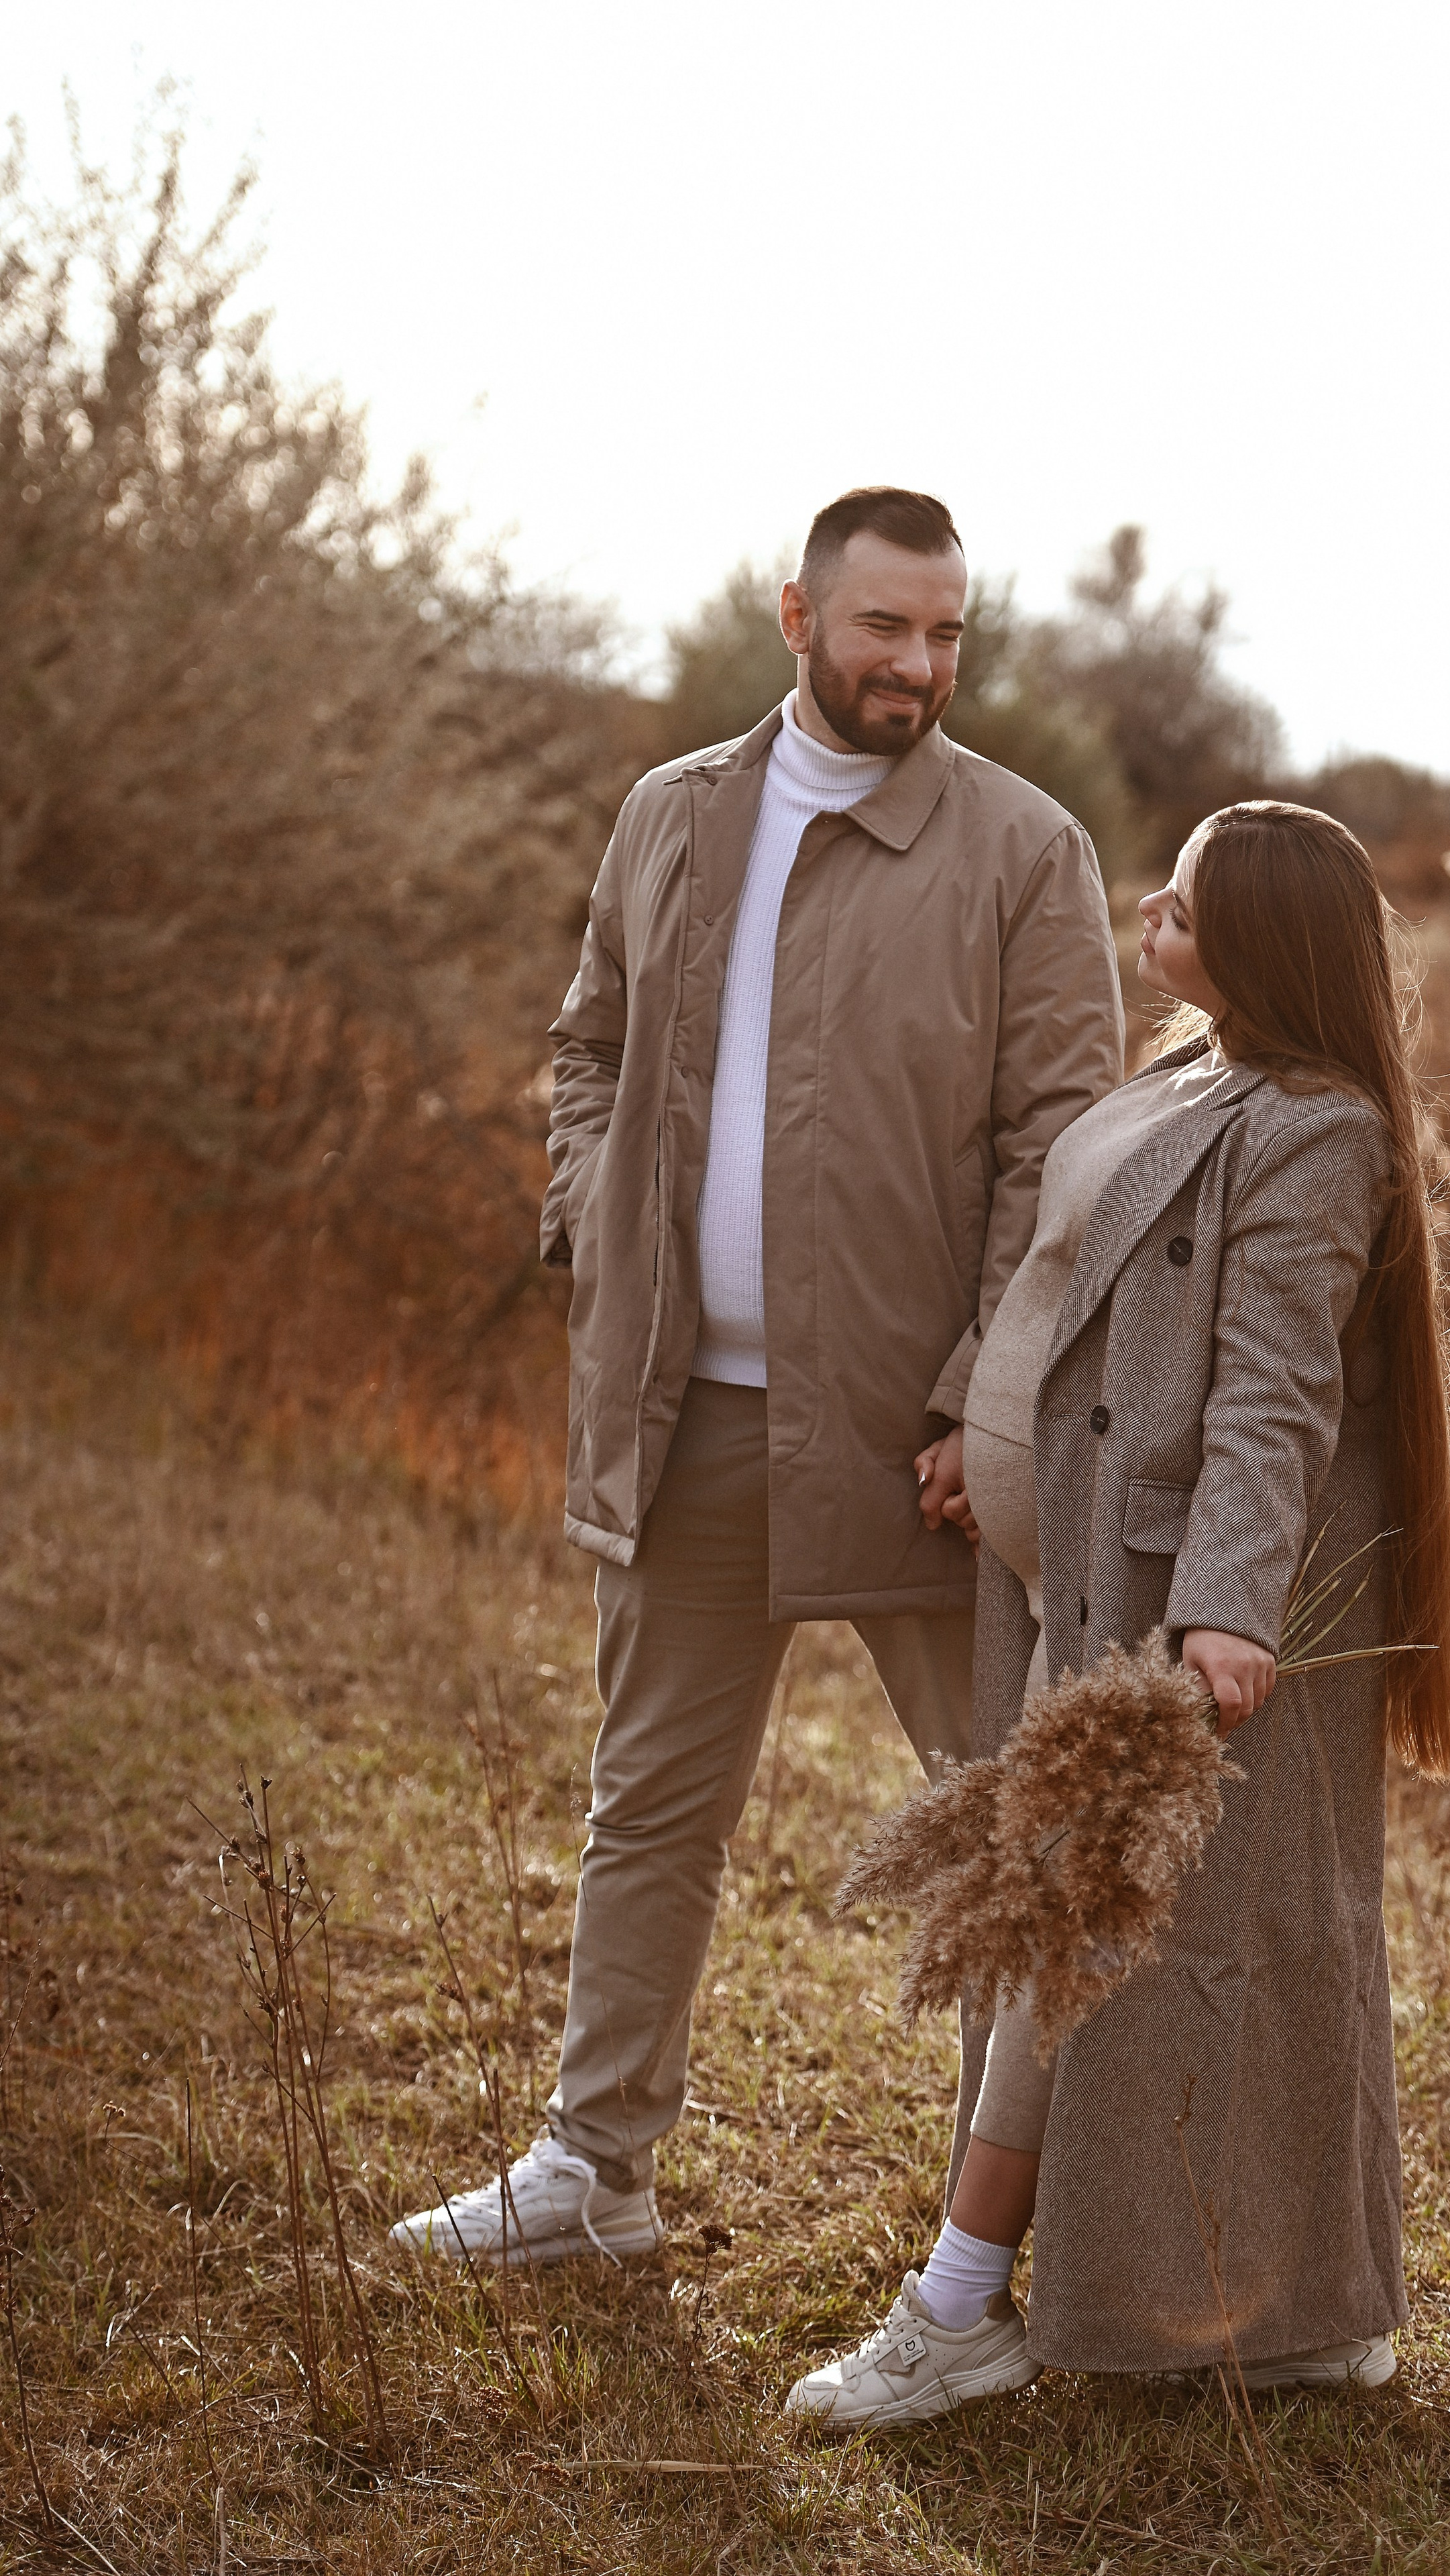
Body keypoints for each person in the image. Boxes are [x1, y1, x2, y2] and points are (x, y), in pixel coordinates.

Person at [390, 488, 1124, 2265]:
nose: (920, 666)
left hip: (920, 1445)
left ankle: (1010, 2245)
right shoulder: (674, 812)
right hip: (688, 1416)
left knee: (1001, 1836)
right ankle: (595, 2175)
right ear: (798, 616)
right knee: (649, 1804)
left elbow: (1065, 1144)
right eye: (885, 627)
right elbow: (589, 1048)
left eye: (947, 633)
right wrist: (601, 1216)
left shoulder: (1027, 851)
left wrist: (980, 1390)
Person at [785, 800, 1450, 2426]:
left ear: (1260, 939)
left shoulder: (1314, 1127)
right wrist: (976, 1418)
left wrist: (1229, 1609)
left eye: (1182, 898)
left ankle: (961, 2301)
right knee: (1112, 1942)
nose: (1148, 907)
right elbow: (1054, 1276)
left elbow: (1272, 1388)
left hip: (1176, 1606)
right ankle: (1299, 2315)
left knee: (1098, 1938)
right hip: (1067, 1575)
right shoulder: (1187, 1070)